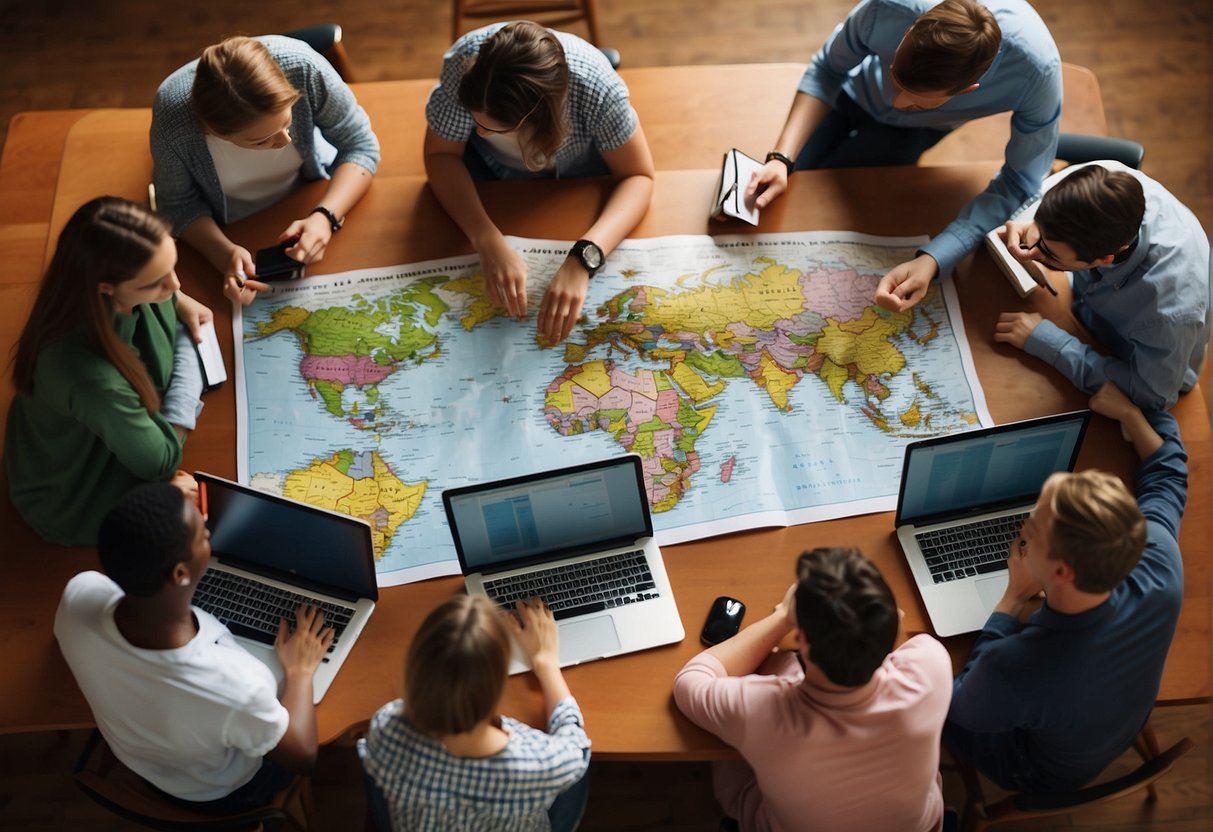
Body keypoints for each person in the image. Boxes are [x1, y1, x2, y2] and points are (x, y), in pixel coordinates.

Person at [945, 381, 1185, 792]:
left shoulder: (1018, 664)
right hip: (1120, 721)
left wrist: (1010, 600)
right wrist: (1131, 414)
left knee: (926, 698)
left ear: (1060, 573)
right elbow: (1169, 473)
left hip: (1040, 770)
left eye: (1031, 530)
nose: (1021, 526)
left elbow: (962, 707)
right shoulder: (1160, 558)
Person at [746, 0, 1061, 314]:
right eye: (895, 75)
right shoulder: (888, 7)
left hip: (914, 133)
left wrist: (934, 258)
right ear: (907, 33)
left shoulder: (1038, 75)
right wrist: (781, 158)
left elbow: (1019, 182)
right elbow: (828, 68)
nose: (896, 101)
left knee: (825, 206)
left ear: (968, 89)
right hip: (848, 92)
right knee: (787, 191)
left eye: (917, 101)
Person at [53, 482, 334, 811]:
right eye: (202, 534)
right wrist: (300, 672)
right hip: (219, 791)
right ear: (180, 573)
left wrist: (169, 509)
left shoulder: (78, 597)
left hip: (141, 763)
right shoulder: (237, 686)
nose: (209, 535)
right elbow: (303, 755)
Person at [673, 547, 952, 832]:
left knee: (726, 757)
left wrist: (782, 616)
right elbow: (904, 641)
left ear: (801, 637)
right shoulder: (931, 667)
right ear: (892, 626)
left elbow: (690, 681)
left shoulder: (761, 710)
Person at [424, 21, 655, 344]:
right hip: (495, 185)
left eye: (494, 129)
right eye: (475, 120)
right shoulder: (465, 69)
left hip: (576, 185)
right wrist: (485, 238)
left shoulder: (598, 89)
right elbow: (441, 155)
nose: (479, 134)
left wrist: (583, 258)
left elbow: (639, 176)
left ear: (540, 121)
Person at [4, 196, 209, 546]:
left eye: (171, 264)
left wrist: (180, 304)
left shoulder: (80, 292)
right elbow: (160, 460)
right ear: (107, 288)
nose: (175, 286)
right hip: (73, 492)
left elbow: (173, 295)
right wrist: (189, 370)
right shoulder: (87, 374)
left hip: (97, 424)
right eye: (155, 282)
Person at [151, 35, 380, 305]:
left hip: (310, 190)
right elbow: (178, 205)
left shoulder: (304, 67)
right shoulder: (173, 126)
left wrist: (325, 217)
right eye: (261, 140)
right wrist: (224, 255)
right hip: (229, 224)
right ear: (216, 133)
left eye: (287, 120)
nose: (286, 141)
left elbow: (360, 145)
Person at [362, 595, 591, 832]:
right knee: (577, 779)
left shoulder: (387, 727)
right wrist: (546, 662)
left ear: (415, 666)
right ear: (498, 683)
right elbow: (578, 748)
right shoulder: (535, 763)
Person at [993, 163, 1210, 411]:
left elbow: (1152, 396)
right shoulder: (1107, 175)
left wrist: (1051, 343)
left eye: (1048, 252)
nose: (1035, 249)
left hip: (1132, 358)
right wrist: (1029, 221)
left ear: (1105, 259)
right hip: (1084, 309)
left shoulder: (1168, 314)